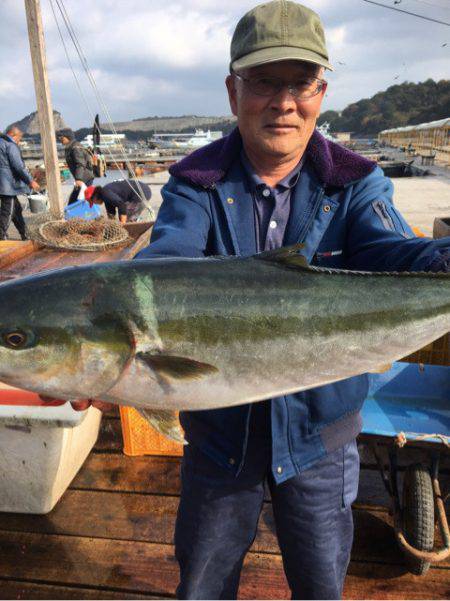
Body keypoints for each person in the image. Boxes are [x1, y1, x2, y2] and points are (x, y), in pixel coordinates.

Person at [67, 1, 449, 599]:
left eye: (300, 83)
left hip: (321, 438)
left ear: (321, 91)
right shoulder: (196, 183)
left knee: (322, 584)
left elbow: (394, 253)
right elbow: (167, 262)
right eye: (264, 82)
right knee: (203, 584)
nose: (284, 101)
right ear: (232, 90)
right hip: (221, 443)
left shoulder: (355, 181)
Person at [0, 126, 39, 240]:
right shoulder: (10, 145)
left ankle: (25, 234)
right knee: (8, 210)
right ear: (13, 135)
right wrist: (30, 181)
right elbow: (18, 166)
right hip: (7, 184)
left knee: (16, 210)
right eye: (19, 138)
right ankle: (1, 235)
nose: (19, 141)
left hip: (3, 183)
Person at [84, 178, 152, 223]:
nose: (95, 204)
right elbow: (111, 214)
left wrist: (122, 224)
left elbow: (121, 205)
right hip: (141, 191)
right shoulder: (105, 196)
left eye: (93, 202)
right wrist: (111, 225)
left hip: (141, 193)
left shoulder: (106, 193)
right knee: (124, 217)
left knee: (128, 221)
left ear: (95, 197)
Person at [56, 128, 94, 205]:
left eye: (61, 137)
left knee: (73, 201)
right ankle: (91, 214)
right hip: (84, 177)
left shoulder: (75, 147)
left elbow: (80, 163)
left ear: (68, 137)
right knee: (81, 199)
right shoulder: (72, 146)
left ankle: (91, 214)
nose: (60, 139)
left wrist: (78, 179)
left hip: (84, 178)